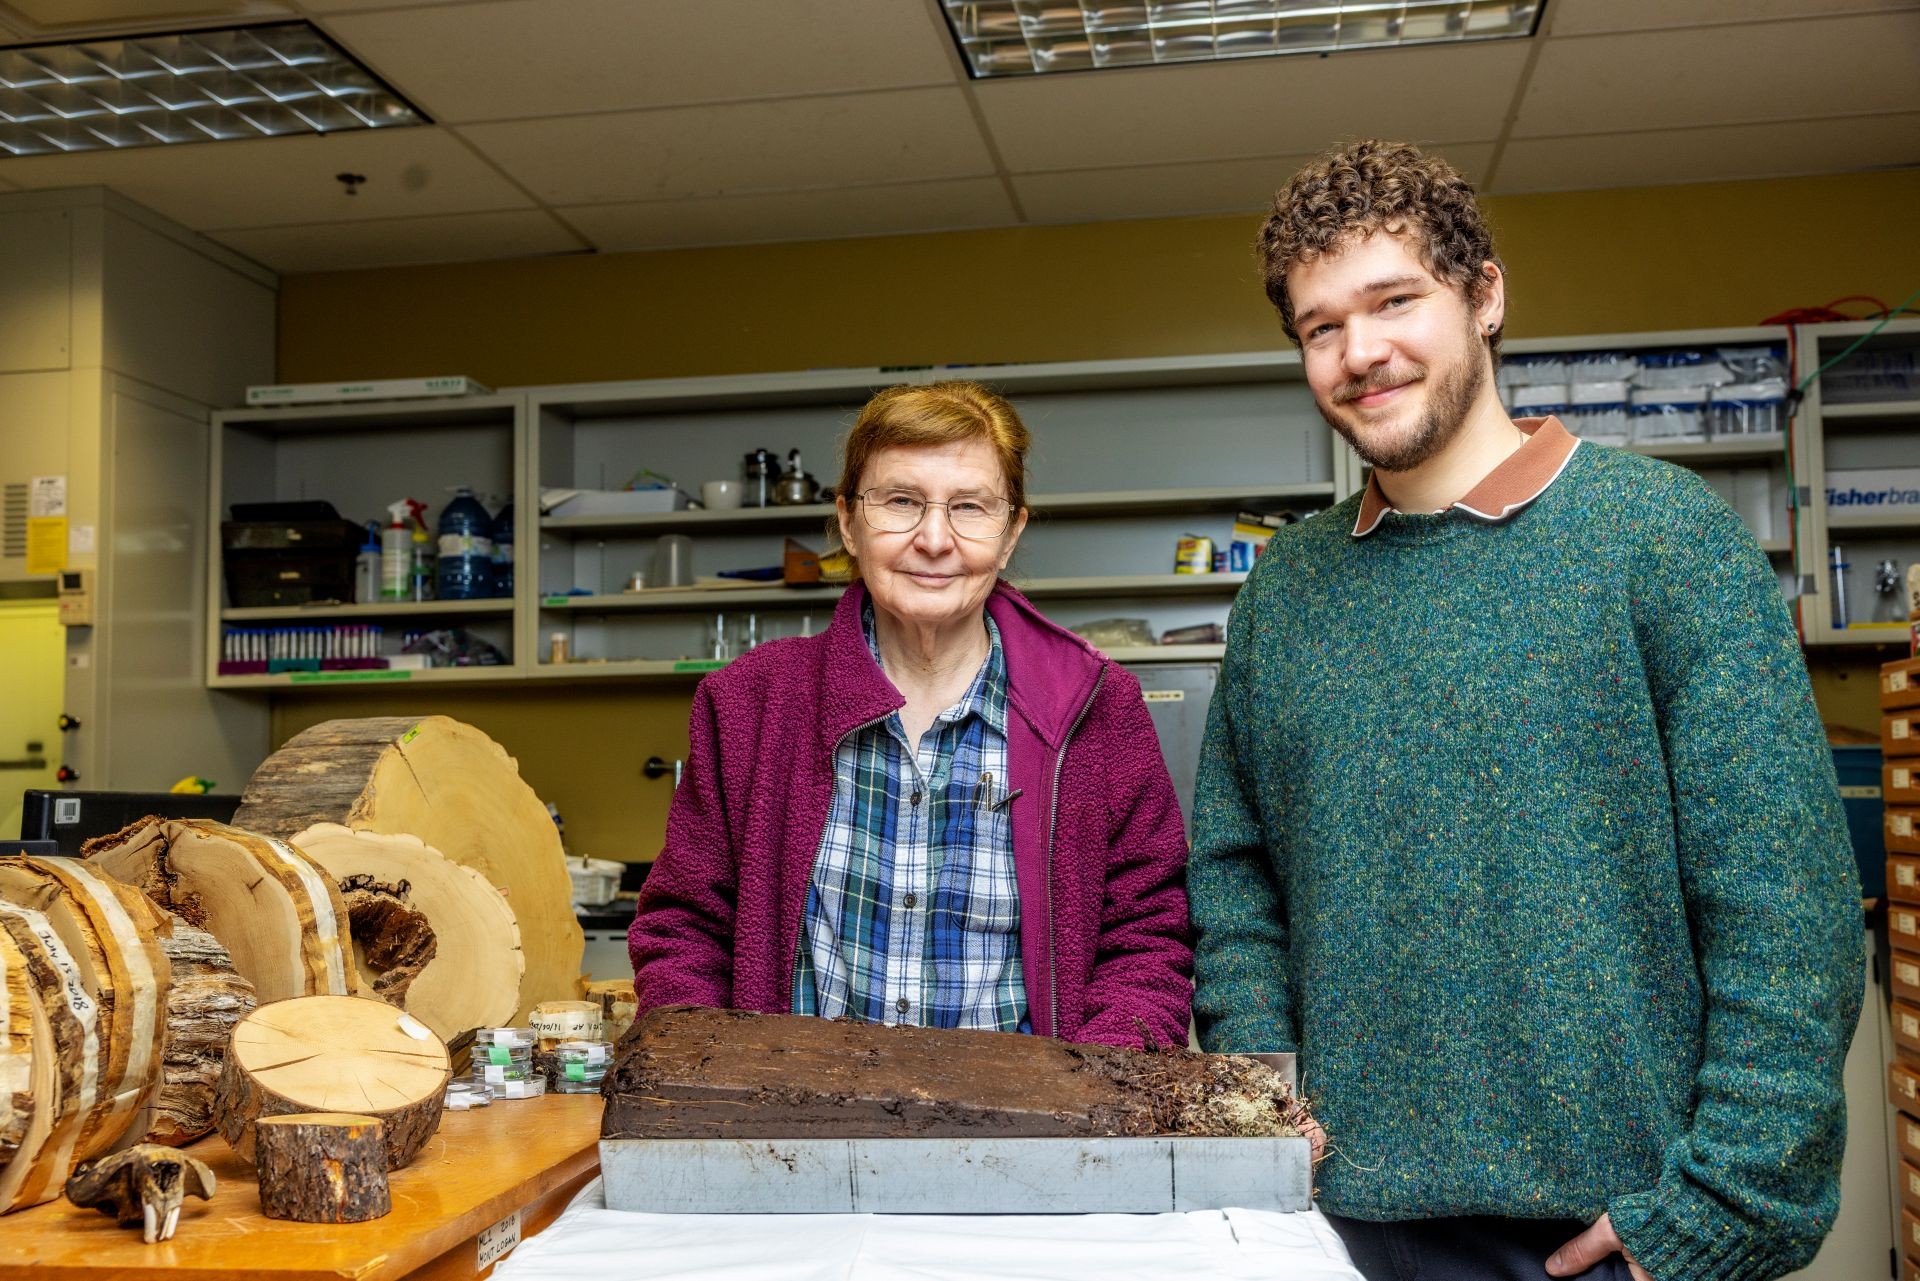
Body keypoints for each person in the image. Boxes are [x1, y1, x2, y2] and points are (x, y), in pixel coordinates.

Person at [1190, 139, 1863, 1281]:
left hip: (1609, 1236)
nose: (1361, 352)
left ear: (1486, 295)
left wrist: (1723, 1204)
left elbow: (1784, 905)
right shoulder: (1285, 594)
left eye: (1394, 300)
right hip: (1337, 1226)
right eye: (1320, 326)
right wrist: (1264, 1099)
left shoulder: (1662, 539)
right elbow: (1234, 871)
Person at [629, 380, 1192, 1048]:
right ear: (847, 522)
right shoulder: (750, 702)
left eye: (970, 507)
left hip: (1034, 1138)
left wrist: (1096, 1090)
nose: (934, 538)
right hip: (789, 1138)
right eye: (900, 501)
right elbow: (685, 928)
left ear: (1011, 532)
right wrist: (709, 1076)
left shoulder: (1098, 707)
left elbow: (1148, 937)